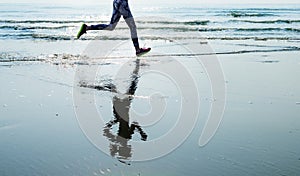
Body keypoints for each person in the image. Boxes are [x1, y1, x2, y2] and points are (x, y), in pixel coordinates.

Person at [77, 0, 151, 56]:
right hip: (122, 3)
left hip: (116, 2)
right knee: (133, 27)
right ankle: (137, 50)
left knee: (111, 26)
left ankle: (87, 28)